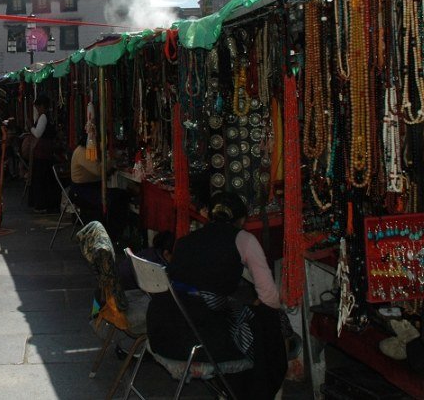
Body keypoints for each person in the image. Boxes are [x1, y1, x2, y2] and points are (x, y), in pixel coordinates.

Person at [146, 191, 287, 399]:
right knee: (270, 321)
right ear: (241, 220)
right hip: (198, 341)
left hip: (162, 331)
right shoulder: (244, 240)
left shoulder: (186, 241)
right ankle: (254, 391)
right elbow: (270, 298)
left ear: (208, 217)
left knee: (240, 313)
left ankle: (231, 390)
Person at [69, 132, 133, 240]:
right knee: (116, 198)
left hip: (92, 187)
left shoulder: (88, 151)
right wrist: (110, 161)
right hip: (82, 191)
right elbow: (98, 170)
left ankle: (116, 231)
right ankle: (113, 233)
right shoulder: (83, 152)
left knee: (121, 195)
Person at [27, 94, 57, 213]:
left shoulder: (43, 117)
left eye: (38, 107)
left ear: (42, 106)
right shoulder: (47, 116)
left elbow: (38, 133)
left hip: (42, 153)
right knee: (44, 179)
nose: (37, 110)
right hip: (46, 152)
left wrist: (30, 127)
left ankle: (41, 205)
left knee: (40, 179)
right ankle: (45, 204)